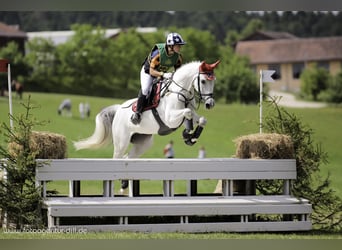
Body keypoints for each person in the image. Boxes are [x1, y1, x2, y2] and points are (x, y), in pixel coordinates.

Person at [131, 32, 186, 125]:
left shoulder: (178, 57)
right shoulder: (158, 54)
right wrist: (163, 75)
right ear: (171, 45)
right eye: (178, 45)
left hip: (161, 74)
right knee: (145, 89)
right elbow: (152, 72)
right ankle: (137, 113)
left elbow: (179, 73)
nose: (180, 47)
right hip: (148, 72)